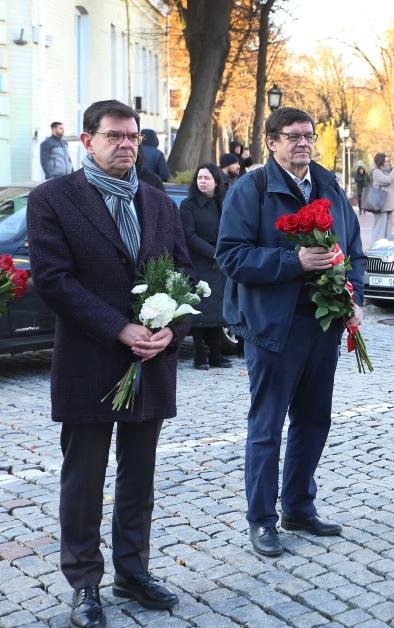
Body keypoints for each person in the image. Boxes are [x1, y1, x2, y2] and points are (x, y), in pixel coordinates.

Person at [27, 100, 187, 627]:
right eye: (115, 136)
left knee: (139, 478)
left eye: (133, 137)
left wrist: (170, 330)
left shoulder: (160, 202)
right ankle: (84, 583)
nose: (126, 145)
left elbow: (186, 277)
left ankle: (132, 570)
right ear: (86, 140)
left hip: (151, 364)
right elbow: (53, 279)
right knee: (84, 480)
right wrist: (118, 326)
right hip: (90, 360)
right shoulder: (53, 198)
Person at [216, 106, 366, 557]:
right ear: (272, 141)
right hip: (272, 326)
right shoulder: (252, 189)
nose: (303, 142)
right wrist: (292, 262)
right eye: (292, 136)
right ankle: (262, 520)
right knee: (267, 426)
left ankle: (299, 506)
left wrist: (353, 299)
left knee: (314, 419)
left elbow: (354, 251)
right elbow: (231, 257)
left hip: (322, 324)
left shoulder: (329, 186)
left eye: (308, 135)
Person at [179, 164, 231, 371]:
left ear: (216, 181)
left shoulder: (223, 203)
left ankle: (216, 355)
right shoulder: (188, 204)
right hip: (199, 261)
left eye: (206, 178)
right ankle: (200, 355)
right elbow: (188, 234)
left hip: (221, 262)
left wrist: (224, 251)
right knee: (200, 311)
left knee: (218, 312)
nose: (202, 181)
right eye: (199, 177)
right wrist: (213, 252)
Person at [370, 152, 394, 241]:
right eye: (385, 161)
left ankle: (385, 248)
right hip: (380, 205)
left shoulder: (389, 171)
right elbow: (388, 180)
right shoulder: (376, 172)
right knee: (379, 229)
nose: (387, 163)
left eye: (387, 161)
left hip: (389, 205)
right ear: (380, 162)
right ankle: (375, 248)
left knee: (388, 230)